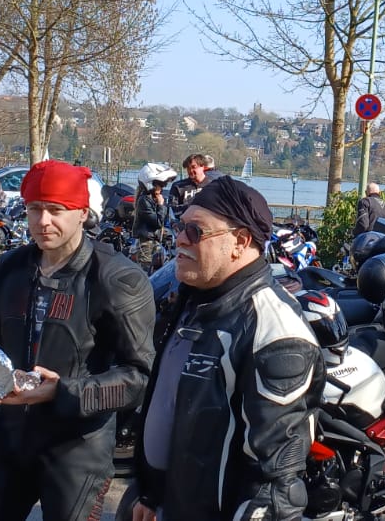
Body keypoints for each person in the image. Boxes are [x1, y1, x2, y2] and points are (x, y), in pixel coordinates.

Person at [0, 160, 155, 520]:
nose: (43, 221)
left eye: (56, 210)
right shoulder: (9, 269)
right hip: (10, 438)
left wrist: (62, 392)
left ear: (82, 213)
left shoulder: (117, 278)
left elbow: (139, 379)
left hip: (78, 448)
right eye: (34, 209)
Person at [131, 176, 320, 521]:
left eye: (195, 231)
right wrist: (150, 492)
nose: (180, 239)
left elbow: (275, 484)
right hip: (168, 502)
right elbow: (169, 404)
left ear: (240, 241)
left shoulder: (274, 330)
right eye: (180, 226)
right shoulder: (196, 300)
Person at [134, 162, 177, 272]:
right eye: (160, 185)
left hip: (155, 241)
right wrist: (161, 205)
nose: (163, 188)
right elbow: (158, 222)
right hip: (147, 244)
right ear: (151, 184)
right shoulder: (144, 200)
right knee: (147, 271)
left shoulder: (152, 199)